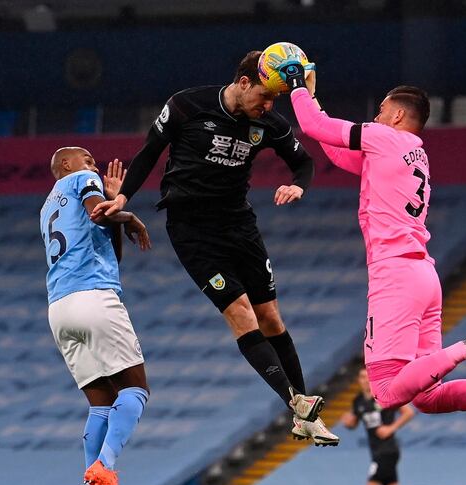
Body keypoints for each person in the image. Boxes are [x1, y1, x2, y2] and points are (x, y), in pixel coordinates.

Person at [279, 58, 466, 447]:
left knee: (384, 391)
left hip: (395, 276)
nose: (375, 118)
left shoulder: (385, 138)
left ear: (396, 115)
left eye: (379, 112)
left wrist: (296, 84)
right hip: (422, 277)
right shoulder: (412, 152)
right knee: (428, 397)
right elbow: (334, 147)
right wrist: (311, 99)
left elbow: (315, 127)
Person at [92, 51, 339, 446]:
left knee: (271, 318)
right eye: (265, 96)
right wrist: (123, 199)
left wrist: (298, 185)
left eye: (275, 100)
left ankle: (303, 412)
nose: (269, 106)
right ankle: (297, 404)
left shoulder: (268, 123)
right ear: (244, 83)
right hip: (192, 229)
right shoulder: (187, 104)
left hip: (239, 225)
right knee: (241, 314)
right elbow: (150, 152)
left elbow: (303, 162)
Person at [40, 147, 152, 485]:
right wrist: (128, 212)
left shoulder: (47, 208)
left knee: (101, 403)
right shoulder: (79, 180)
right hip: (93, 297)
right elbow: (96, 212)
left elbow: (111, 250)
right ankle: (105, 467)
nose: (94, 164)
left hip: (59, 309)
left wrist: (113, 207)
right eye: (86, 158)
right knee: (136, 388)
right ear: (65, 166)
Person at [341, 366, 426, 485]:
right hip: (376, 450)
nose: (364, 380)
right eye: (361, 377)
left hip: (388, 450)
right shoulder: (358, 401)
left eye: (366, 376)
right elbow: (354, 423)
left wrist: (391, 428)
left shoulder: (384, 393)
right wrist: (348, 423)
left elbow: (408, 412)